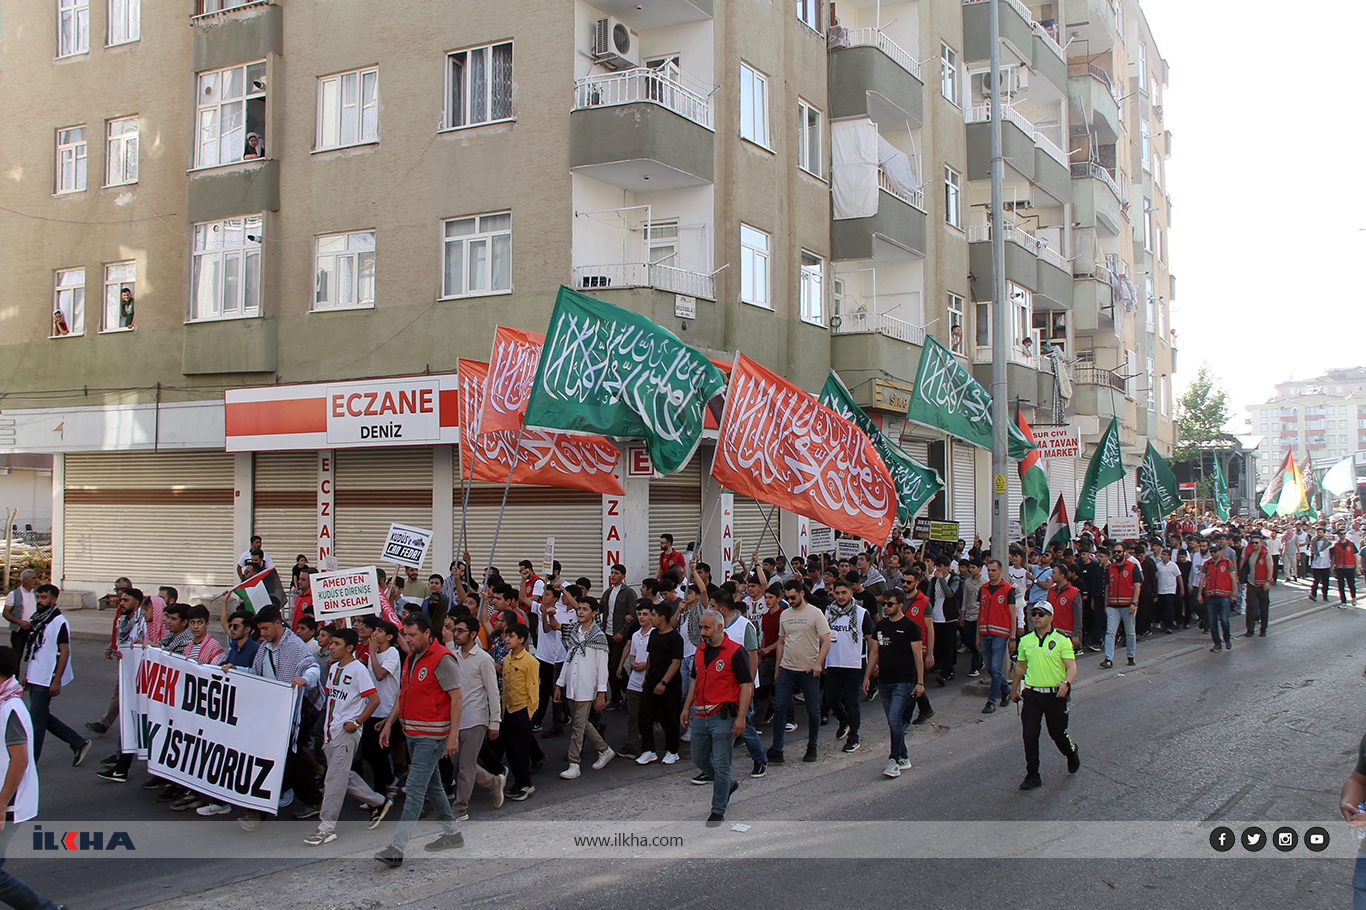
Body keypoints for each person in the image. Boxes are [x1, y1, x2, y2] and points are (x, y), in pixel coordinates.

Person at [375, 613, 464, 867]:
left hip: (431, 737)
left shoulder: (442, 660)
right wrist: (389, 724)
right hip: (413, 734)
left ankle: (397, 847)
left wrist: (452, 737)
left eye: (412, 635)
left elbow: (456, 699)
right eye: (405, 634)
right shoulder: (412, 658)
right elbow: (404, 694)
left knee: (414, 790)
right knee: (434, 786)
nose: (408, 639)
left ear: (427, 633)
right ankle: (452, 834)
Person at [302, 628, 390, 845]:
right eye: (331, 643)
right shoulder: (334, 669)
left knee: (333, 780)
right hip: (330, 732)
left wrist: (358, 722)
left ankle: (326, 826)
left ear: (349, 648)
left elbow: (374, 700)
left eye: (336, 644)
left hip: (345, 732)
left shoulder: (358, 670)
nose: (330, 647)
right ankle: (379, 802)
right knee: (342, 775)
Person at [0, 646, 65, 910]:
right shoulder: (5, 703)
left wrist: (2, 805)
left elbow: (20, 760)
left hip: (9, 805)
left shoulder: (11, 709)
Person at [680, 608, 752, 826]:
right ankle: (727, 784)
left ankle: (718, 808)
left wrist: (741, 718)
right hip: (701, 715)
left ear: (720, 628)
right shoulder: (701, 650)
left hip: (723, 716)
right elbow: (694, 680)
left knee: (722, 763)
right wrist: (686, 708)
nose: (703, 632)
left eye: (706, 628)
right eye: (701, 627)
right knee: (699, 758)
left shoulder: (735, 651)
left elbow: (746, 686)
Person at [1010, 600, 1079, 790]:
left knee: (1057, 733)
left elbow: (1071, 666)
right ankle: (1033, 774)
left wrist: (1066, 683)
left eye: (1041, 614)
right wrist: (1014, 689)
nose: (1037, 618)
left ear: (1051, 617)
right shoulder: (1026, 640)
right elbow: (1020, 666)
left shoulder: (1062, 640)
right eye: (1034, 614)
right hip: (1032, 693)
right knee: (1029, 734)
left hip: (1054, 694)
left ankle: (1071, 752)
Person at [21, 585, 89, 767]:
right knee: (40, 715)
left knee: (37, 721)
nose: (39, 601)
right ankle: (77, 742)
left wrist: (56, 680)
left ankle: (30, 763)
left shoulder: (59, 622)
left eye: (43, 597)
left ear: (54, 600)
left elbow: (64, 652)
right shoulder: (38, 619)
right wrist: (28, 675)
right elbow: (36, 650)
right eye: (38, 597)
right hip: (35, 676)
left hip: (46, 678)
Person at [766, 578, 830, 765]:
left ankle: (812, 745)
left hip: (808, 669)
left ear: (802, 593)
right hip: (787, 668)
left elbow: (825, 641)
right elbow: (781, 642)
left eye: (793, 597)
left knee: (812, 710)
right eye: (788, 598)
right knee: (779, 708)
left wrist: (819, 663)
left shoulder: (815, 613)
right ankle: (777, 748)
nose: (791, 601)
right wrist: (778, 667)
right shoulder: (785, 615)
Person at [863, 586, 924, 778]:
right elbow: (874, 652)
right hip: (885, 681)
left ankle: (894, 759)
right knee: (892, 720)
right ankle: (904, 756)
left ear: (900, 605)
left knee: (895, 719)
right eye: (884, 604)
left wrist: (920, 682)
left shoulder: (910, 627)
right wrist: (867, 675)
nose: (886, 607)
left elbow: (917, 655)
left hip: (903, 681)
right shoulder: (881, 626)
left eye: (890, 604)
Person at [449, 615, 505, 818]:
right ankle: (493, 782)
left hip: (476, 718)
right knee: (459, 762)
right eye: (455, 630)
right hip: (456, 719)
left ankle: (460, 807)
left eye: (460, 630)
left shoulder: (483, 659)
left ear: (473, 634)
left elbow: (493, 692)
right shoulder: (453, 657)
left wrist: (494, 723)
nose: (456, 634)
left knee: (465, 766)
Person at [554, 599, 613, 780]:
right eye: (579, 609)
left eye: (585, 609)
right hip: (572, 686)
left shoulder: (599, 637)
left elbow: (603, 667)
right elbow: (568, 659)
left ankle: (574, 763)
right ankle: (604, 750)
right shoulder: (575, 633)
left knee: (578, 726)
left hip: (587, 688)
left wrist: (601, 693)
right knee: (582, 722)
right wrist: (560, 684)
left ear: (594, 613)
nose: (580, 612)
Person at [821, 579, 873, 753]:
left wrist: (873, 665)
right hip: (833, 663)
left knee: (852, 701)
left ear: (851, 593)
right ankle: (844, 721)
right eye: (837, 593)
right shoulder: (828, 612)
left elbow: (871, 639)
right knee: (832, 699)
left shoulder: (861, 613)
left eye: (844, 593)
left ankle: (854, 736)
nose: (841, 596)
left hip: (854, 664)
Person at [636, 601, 683, 766]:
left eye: (654, 615)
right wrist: (647, 677)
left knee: (670, 718)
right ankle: (648, 750)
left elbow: (676, 662)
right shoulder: (654, 634)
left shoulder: (675, 638)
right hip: (651, 682)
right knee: (644, 715)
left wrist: (664, 682)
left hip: (669, 685)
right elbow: (650, 656)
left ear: (662, 618)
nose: (652, 618)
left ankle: (673, 750)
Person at [499, 622, 539, 802]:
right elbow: (506, 688)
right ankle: (517, 780)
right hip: (509, 709)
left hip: (523, 710)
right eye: (507, 636)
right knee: (509, 747)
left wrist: (530, 714)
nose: (507, 639)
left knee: (520, 749)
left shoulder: (530, 661)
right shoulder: (507, 659)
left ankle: (525, 783)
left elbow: (533, 689)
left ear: (522, 640)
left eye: (511, 636)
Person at [977, 559, 1017, 714]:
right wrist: (978, 636)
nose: (991, 573)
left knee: (995, 667)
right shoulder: (984, 589)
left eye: (994, 570)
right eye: (989, 570)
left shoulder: (1008, 590)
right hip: (984, 633)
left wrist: (1012, 637)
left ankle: (991, 701)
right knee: (989, 668)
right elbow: (980, 612)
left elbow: (1013, 616)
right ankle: (1006, 689)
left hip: (1000, 634)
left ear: (1001, 571)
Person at [617, 603, 654, 760]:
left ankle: (650, 745)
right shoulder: (636, 634)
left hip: (649, 681)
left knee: (648, 715)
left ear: (652, 615)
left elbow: (656, 657)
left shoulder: (655, 634)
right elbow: (632, 653)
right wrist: (631, 663)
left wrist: (646, 665)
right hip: (634, 681)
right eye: (639, 614)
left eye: (645, 614)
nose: (641, 617)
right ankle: (631, 745)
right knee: (633, 715)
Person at [603, 564, 637, 710]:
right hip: (607, 634)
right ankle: (620, 696)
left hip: (620, 636)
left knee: (615, 666)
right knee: (610, 667)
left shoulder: (629, 593)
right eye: (611, 573)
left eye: (616, 573)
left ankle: (624, 695)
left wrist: (622, 632)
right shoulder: (608, 592)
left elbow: (633, 616)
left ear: (623, 576)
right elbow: (601, 610)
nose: (612, 575)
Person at [1100, 546, 1139, 669]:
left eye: (1119, 552)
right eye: (1114, 552)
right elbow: (1107, 586)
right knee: (1110, 632)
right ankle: (1108, 659)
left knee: (1130, 633)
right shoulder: (1110, 568)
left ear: (1125, 552)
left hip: (1127, 605)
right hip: (1112, 605)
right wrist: (1106, 604)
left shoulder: (1132, 567)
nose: (1116, 554)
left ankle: (1131, 656)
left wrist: (1134, 603)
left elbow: (1137, 586)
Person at [1201, 544, 1237, 653]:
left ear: (1220, 552)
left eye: (1215, 551)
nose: (1212, 553)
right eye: (1211, 551)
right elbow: (1202, 578)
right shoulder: (1207, 564)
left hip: (1224, 595)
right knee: (1212, 621)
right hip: (1211, 595)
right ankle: (1217, 643)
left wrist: (1234, 593)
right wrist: (1200, 593)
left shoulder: (1227, 563)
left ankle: (1227, 638)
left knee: (1224, 619)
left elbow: (1233, 578)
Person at [1240, 535, 1274, 638]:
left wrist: (1268, 582)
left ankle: (1263, 629)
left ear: (1261, 543)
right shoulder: (1249, 554)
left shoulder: (1266, 554)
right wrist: (1243, 580)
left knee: (1264, 607)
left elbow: (1270, 568)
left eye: (1257, 543)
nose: (1254, 545)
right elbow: (1245, 567)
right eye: (1253, 543)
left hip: (1263, 584)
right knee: (1250, 606)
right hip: (1251, 583)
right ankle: (1250, 629)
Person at [2, 571, 38, 655]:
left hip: (35, 628)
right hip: (20, 630)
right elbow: (6, 613)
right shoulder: (14, 594)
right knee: (17, 655)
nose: (36, 580)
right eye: (33, 578)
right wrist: (19, 622)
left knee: (36, 655)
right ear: (25, 580)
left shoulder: (37, 593)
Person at [1333, 531, 1360, 606]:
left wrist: (1357, 567)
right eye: (1341, 534)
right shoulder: (1336, 545)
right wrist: (1332, 566)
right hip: (1340, 567)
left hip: (1350, 567)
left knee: (1351, 584)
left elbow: (1355, 556)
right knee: (1341, 585)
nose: (1343, 535)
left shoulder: (1351, 544)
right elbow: (1334, 556)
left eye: (1344, 534)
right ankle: (1343, 601)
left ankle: (1353, 597)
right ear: (1338, 535)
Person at [1310, 527, 1334, 601]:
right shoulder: (1314, 542)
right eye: (1318, 532)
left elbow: (1332, 554)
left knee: (1325, 582)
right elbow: (1312, 553)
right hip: (1316, 564)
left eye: (1320, 532)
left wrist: (1332, 564)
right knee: (1316, 580)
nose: (1319, 534)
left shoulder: (1328, 543)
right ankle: (1313, 595)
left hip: (1325, 565)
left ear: (1324, 533)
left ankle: (1325, 595)